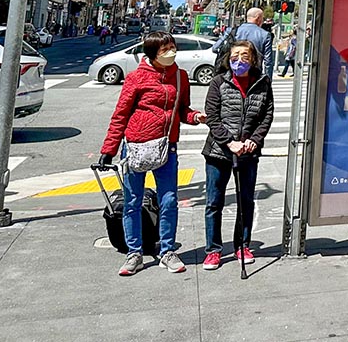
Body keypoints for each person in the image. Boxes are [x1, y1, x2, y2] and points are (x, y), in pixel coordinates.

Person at [97, 31, 206, 276]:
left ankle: (167, 250)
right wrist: (109, 149)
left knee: (168, 200)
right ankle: (134, 253)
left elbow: (183, 110)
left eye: (172, 47)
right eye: (164, 49)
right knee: (132, 202)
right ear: (152, 54)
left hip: (167, 146)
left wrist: (196, 117)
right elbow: (120, 115)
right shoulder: (136, 78)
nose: (171, 52)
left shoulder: (180, 77)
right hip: (135, 147)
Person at [200, 40, 274, 270]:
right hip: (218, 152)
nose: (239, 60)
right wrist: (229, 142)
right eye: (235, 56)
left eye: (244, 56)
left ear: (253, 59)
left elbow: (267, 114)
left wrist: (254, 140)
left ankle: (243, 245)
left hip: (248, 153)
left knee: (245, 201)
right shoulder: (218, 82)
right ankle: (213, 250)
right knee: (214, 202)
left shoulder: (262, 83)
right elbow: (212, 116)